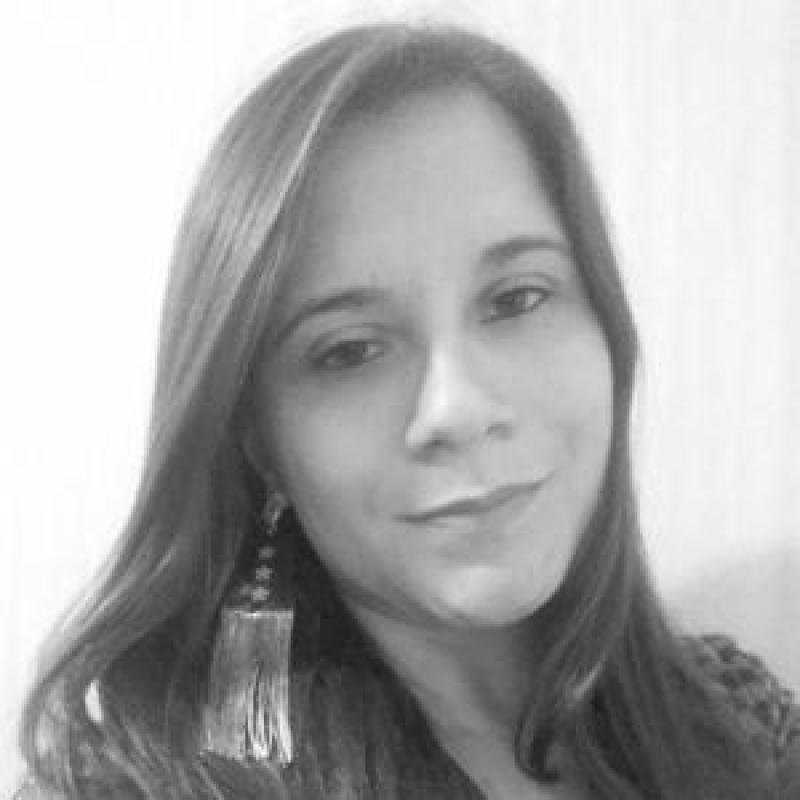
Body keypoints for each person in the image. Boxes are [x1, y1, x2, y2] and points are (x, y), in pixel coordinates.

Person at [16, 21, 800, 800]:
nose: (460, 407)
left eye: (517, 298)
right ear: (257, 439)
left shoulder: (738, 724)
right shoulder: (135, 787)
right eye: (351, 350)